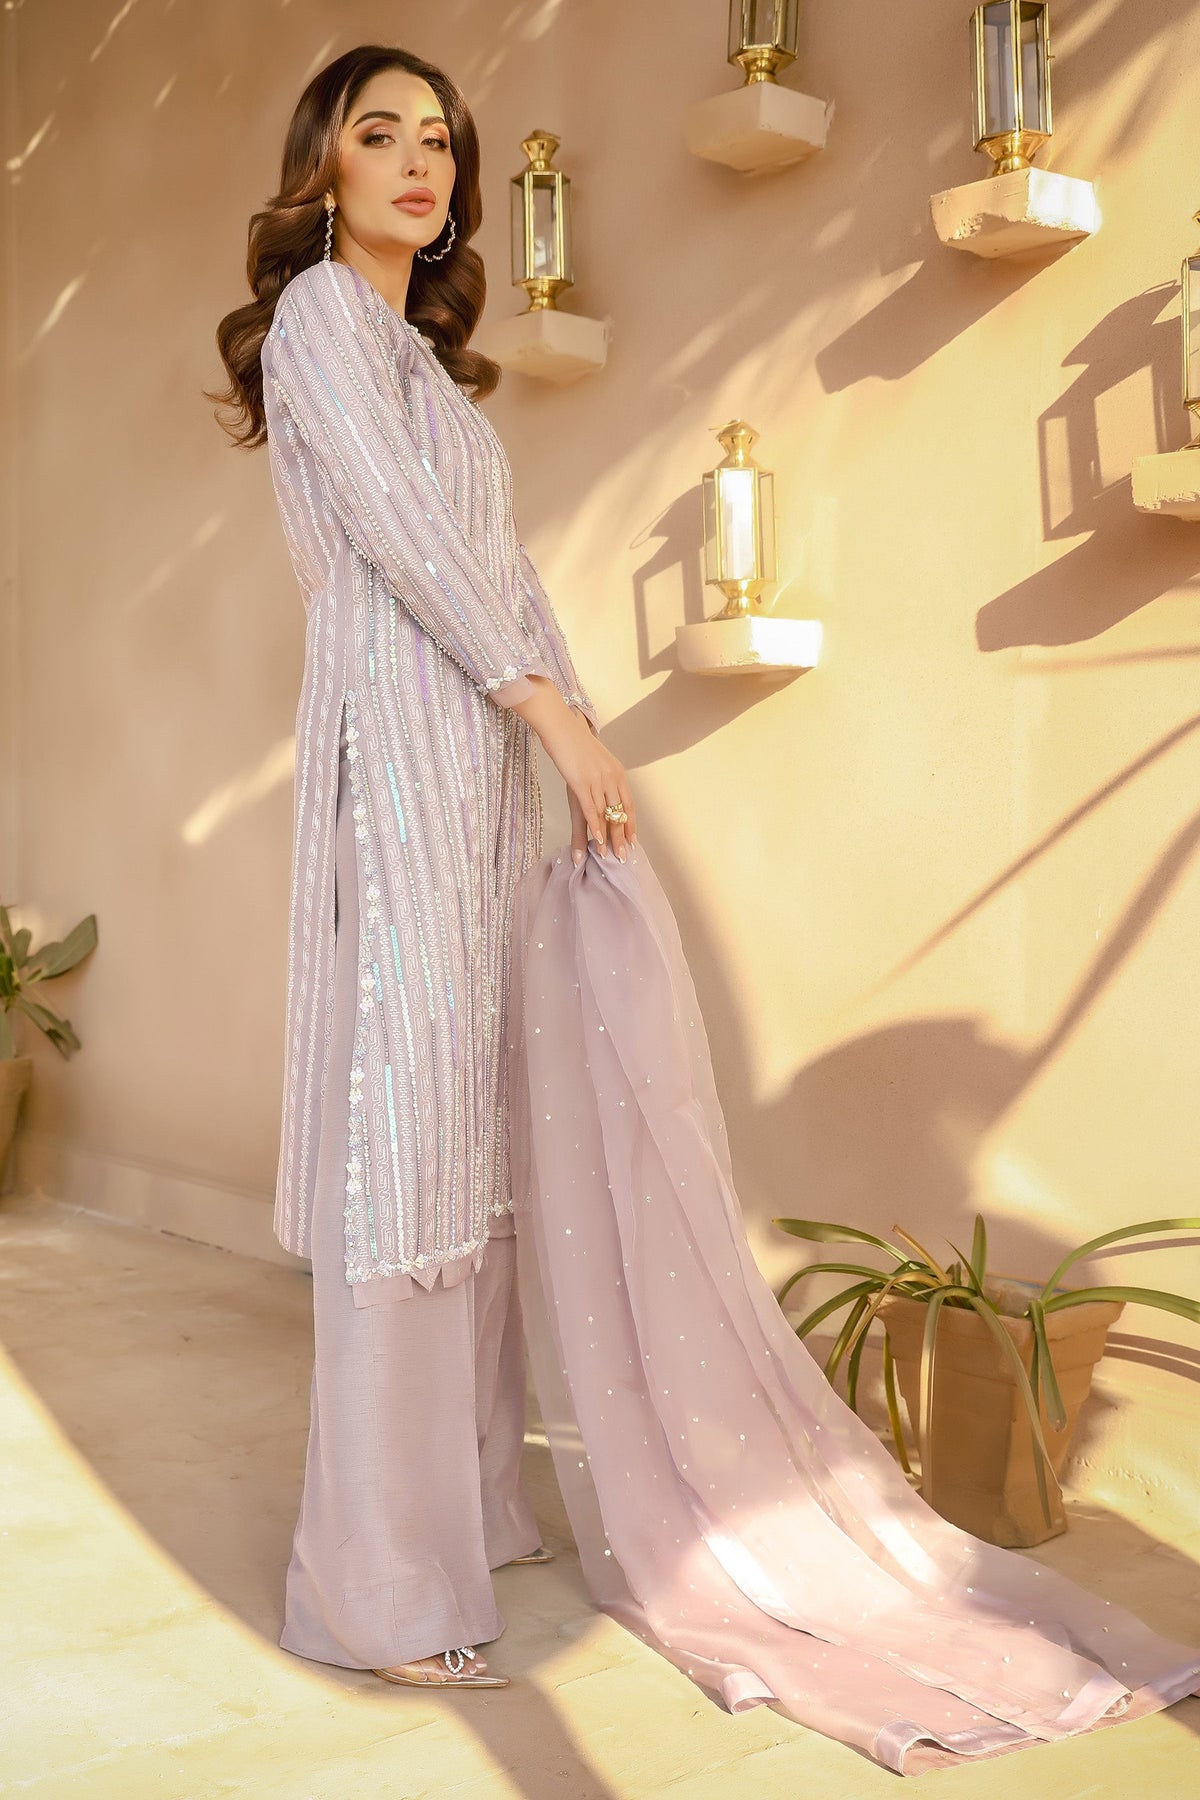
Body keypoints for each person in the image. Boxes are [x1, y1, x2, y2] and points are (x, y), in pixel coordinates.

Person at [211, 42, 635, 1689]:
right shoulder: (323, 318)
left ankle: (468, 1513)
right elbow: (398, 536)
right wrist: (547, 712)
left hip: (477, 773)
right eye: (378, 134)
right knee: (406, 1142)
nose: (418, 161)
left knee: (467, 1128)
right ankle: (379, 1591)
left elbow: (499, 570)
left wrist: (573, 733)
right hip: (396, 764)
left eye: (439, 142)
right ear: (322, 168)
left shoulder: (424, 367)